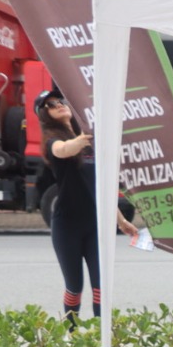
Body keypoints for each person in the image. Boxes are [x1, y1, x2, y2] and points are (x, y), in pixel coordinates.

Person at [36, 89, 138, 323]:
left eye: (61, 100)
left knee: (101, 285)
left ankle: (101, 341)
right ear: (44, 114)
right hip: (66, 226)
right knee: (74, 287)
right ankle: (73, 341)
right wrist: (83, 138)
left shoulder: (88, 142)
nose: (59, 104)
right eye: (51, 104)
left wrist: (121, 221)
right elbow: (62, 150)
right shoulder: (53, 141)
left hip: (95, 225)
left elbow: (98, 188)